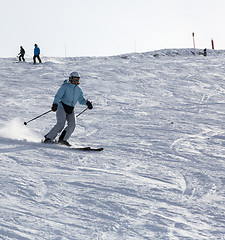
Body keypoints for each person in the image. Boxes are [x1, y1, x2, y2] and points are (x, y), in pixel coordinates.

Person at [44, 72, 93, 146]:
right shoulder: (65, 87)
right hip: (61, 107)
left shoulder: (78, 90)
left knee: (72, 124)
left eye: (77, 80)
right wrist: (55, 104)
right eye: (74, 80)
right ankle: (48, 138)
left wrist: (87, 103)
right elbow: (58, 96)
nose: (75, 82)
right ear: (70, 79)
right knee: (61, 124)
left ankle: (63, 139)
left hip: (71, 109)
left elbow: (81, 100)